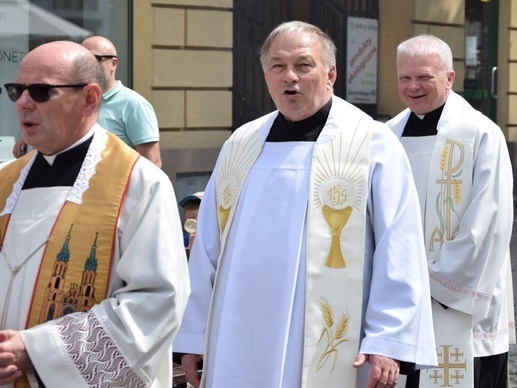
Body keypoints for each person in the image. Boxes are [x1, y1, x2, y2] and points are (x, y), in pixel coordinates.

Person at [173, 21, 437, 387]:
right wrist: (192, 336)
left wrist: (387, 339)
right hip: (238, 336)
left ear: (330, 74)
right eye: (278, 66)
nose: (289, 78)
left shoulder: (371, 142)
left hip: (330, 345)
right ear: (266, 75)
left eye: (303, 65)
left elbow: (400, 246)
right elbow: (206, 249)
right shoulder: (240, 145)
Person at [0, 41, 189, 387]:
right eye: (17, 90)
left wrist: (37, 351)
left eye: (41, 91)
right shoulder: (6, 181)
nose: (24, 103)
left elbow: (157, 303)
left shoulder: (139, 184)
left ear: (89, 98)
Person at [387, 35, 514, 388]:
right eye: (404, 78)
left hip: (460, 302)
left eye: (424, 76)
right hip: (403, 299)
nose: (413, 87)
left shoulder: (480, 134)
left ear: (449, 78)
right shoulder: (386, 137)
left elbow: (490, 220)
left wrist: (435, 280)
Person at [12, 35, 162, 167]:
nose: (87, 66)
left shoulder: (134, 104)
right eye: (82, 60)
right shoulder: (73, 97)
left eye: (95, 59)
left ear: (114, 63)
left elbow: (152, 162)